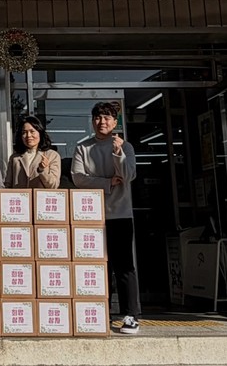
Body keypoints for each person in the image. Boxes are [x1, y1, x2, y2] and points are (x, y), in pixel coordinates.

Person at [71, 101, 139, 335]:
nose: (102, 122)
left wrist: (118, 154)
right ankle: (102, 312)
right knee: (98, 266)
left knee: (124, 266)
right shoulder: (83, 148)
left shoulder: (125, 146)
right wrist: (107, 182)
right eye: (98, 117)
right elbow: (78, 178)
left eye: (107, 118)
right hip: (90, 216)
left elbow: (128, 175)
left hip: (120, 214)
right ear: (92, 121)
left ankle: (131, 315)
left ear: (115, 122)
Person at [4, 115, 61, 188]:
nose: (28, 135)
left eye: (32, 131)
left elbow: (53, 185)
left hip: (41, 195)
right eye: (24, 132)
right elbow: (8, 185)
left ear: (40, 133)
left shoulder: (52, 155)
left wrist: (43, 170)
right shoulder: (15, 158)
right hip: (19, 195)